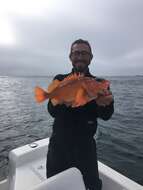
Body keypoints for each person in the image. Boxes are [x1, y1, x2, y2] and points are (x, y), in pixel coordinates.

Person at [46, 39, 114, 190]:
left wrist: (106, 103)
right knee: (55, 186)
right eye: (76, 53)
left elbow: (107, 115)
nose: (80, 57)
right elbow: (52, 111)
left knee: (92, 186)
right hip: (59, 147)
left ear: (91, 57)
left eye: (84, 53)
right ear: (70, 57)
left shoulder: (100, 83)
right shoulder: (60, 80)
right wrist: (62, 100)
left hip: (86, 148)